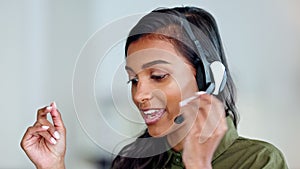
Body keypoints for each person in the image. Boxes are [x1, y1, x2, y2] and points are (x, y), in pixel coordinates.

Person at [21, 6, 288, 169]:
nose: (139, 95)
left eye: (158, 76)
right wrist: (52, 166)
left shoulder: (259, 161)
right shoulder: (132, 162)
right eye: (133, 80)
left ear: (208, 78)